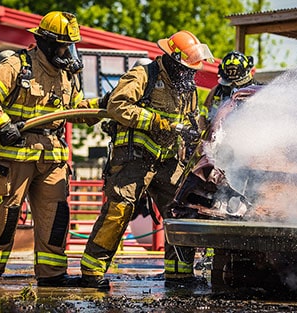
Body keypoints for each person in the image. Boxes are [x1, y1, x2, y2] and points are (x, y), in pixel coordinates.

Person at [0, 11, 100, 287]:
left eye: (71, 46)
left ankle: (52, 274)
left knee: (56, 217)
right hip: (12, 155)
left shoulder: (66, 75)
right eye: (65, 45)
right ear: (48, 42)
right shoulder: (18, 65)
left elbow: (76, 109)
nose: (68, 52)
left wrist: (103, 106)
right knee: (5, 213)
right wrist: (1, 124)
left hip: (51, 156)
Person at [79, 30, 214, 289]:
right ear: (172, 60)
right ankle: (92, 273)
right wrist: (154, 121)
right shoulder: (144, 75)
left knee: (181, 211)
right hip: (134, 158)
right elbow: (117, 106)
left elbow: (191, 121)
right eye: (185, 68)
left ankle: (179, 274)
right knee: (119, 210)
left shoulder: (188, 90)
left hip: (168, 161)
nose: (189, 74)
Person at [199, 50, 260, 130]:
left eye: (236, 84)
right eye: (229, 84)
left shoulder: (255, 91)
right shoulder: (217, 91)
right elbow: (203, 115)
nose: (232, 87)